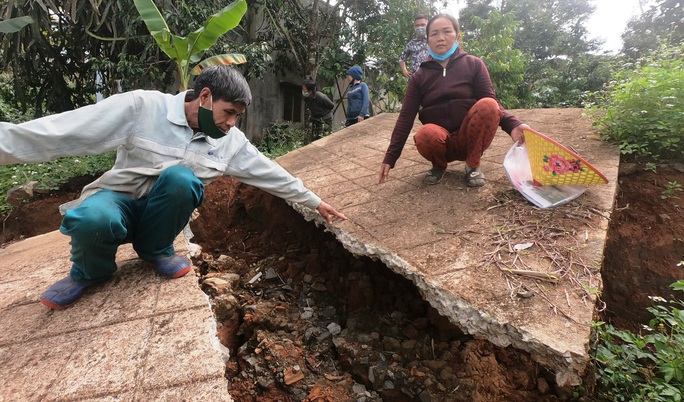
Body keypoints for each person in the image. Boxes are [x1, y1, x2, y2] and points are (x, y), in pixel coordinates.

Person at [0, 65, 347, 310]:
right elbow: (63, 131)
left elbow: (271, 174)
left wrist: (314, 202)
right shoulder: (142, 108)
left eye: (237, 118)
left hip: (160, 216)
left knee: (182, 180)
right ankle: (90, 271)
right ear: (206, 96)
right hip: (118, 200)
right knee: (92, 219)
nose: (230, 125)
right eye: (228, 113)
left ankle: (156, 250)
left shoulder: (231, 142)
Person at [378, 14, 532, 187]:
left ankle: (473, 166)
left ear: (457, 36)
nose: (441, 38)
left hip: (469, 136)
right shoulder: (418, 77)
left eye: (446, 31)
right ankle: (438, 166)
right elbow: (405, 117)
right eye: (434, 34)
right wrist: (391, 157)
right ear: (427, 41)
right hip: (439, 140)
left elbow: (491, 101)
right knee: (425, 133)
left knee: (488, 104)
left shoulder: (474, 64)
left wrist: (513, 125)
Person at [398, 14, 430, 78]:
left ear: (428, 26)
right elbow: (402, 58)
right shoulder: (411, 44)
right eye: (417, 25)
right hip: (415, 78)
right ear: (414, 27)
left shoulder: (432, 41)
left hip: (431, 78)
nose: (420, 27)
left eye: (423, 25)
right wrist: (404, 71)